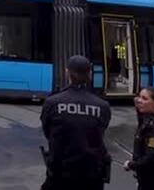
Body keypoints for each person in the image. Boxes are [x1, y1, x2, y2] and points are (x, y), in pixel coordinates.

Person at [40, 55, 112, 190]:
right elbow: (101, 131)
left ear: (67, 72)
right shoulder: (103, 106)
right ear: (89, 74)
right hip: (91, 174)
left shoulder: (52, 102)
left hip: (60, 174)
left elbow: (47, 131)